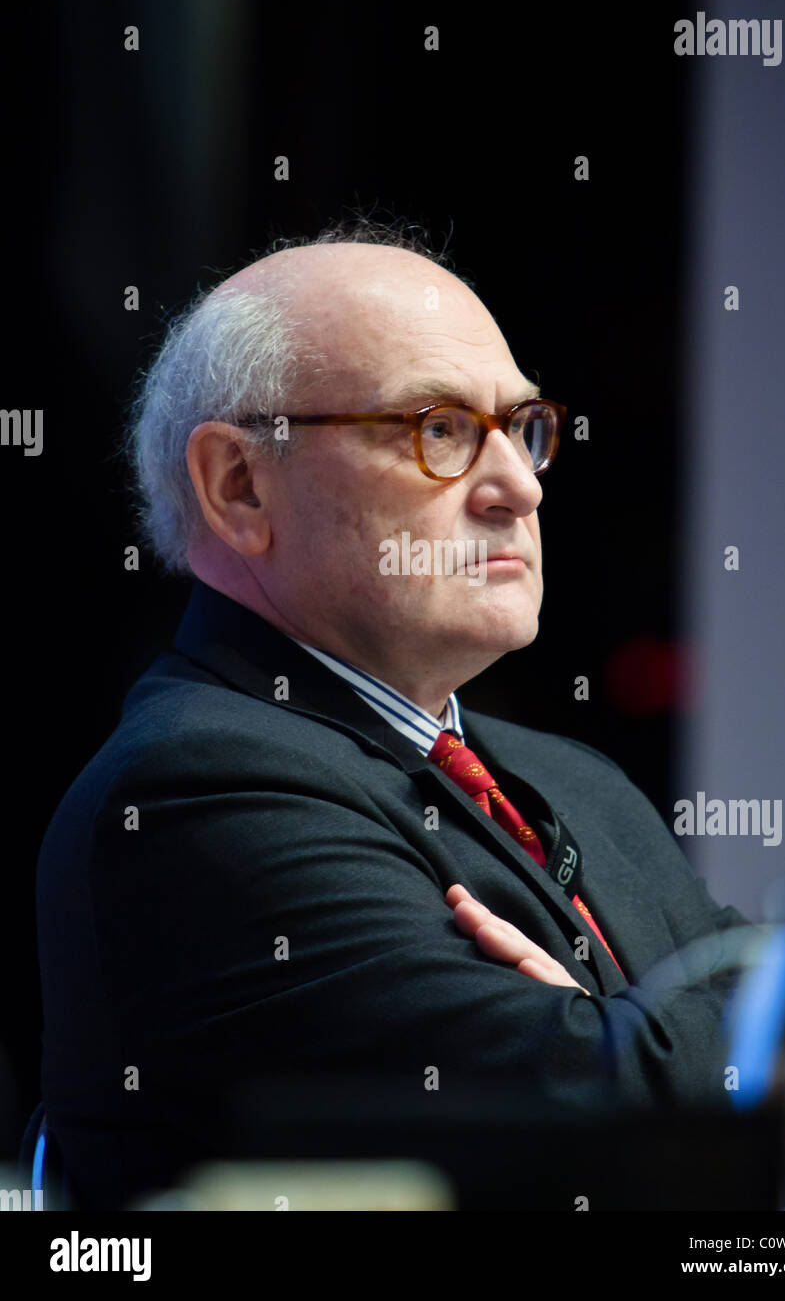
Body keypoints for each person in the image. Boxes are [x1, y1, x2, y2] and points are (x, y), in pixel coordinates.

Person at [36, 220, 748, 1209]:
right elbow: (625, 1126)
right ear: (240, 484)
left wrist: (635, 1032)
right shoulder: (190, 795)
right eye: (439, 430)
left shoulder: (580, 782)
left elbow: (784, 1033)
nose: (515, 485)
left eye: (522, 427)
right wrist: (630, 1041)